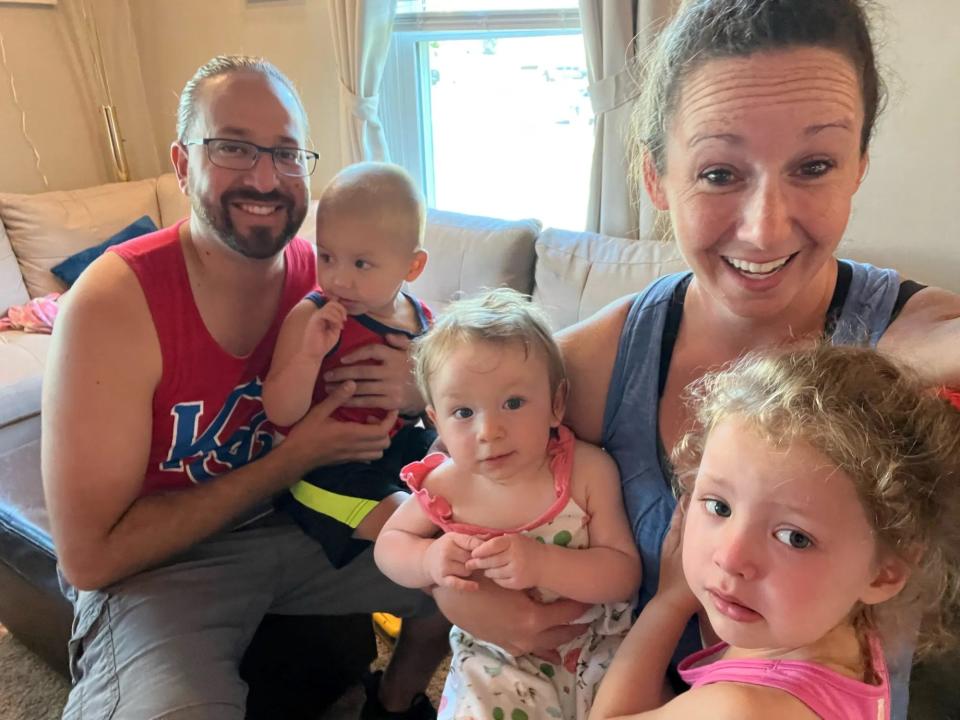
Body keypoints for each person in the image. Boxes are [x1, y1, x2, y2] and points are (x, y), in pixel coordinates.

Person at [428, 2, 960, 718]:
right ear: (656, 178)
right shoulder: (588, 367)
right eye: (718, 173)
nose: (765, 225)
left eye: (814, 165)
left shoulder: (919, 338)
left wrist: (905, 374)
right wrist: (464, 599)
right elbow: (447, 495)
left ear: (859, 166)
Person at [42, 55, 448, 719]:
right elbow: (90, 559)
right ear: (181, 164)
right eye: (232, 146)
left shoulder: (334, 277)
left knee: (469, 568)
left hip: (304, 526)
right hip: (165, 569)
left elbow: (449, 352)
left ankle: (396, 703)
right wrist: (294, 458)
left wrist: (419, 387)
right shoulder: (115, 303)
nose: (265, 176)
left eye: (286, 153)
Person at [591, 344, 960, 719]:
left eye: (794, 537)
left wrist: (667, 603)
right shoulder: (846, 631)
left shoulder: (739, 709)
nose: (730, 557)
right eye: (720, 507)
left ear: (885, 572)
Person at [374, 289, 641, 720]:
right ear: (435, 420)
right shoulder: (446, 484)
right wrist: (428, 557)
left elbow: (624, 573)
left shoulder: (586, 472)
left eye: (513, 404)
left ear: (556, 405)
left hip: (596, 648)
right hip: (494, 657)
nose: (489, 431)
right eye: (463, 413)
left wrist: (542, 564)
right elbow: (389, 545)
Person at [263, 161, 434, 569]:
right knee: (418, 524)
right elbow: (279, 412)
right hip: (326, 471)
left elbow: (446, 407)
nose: (339, 279)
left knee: (464, 471)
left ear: (412, 266)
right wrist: (308, 356)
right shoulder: (312, 317)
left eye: (360, 264)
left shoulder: (425, 320)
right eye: (327, 257)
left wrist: (424, 390)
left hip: (399, 449)